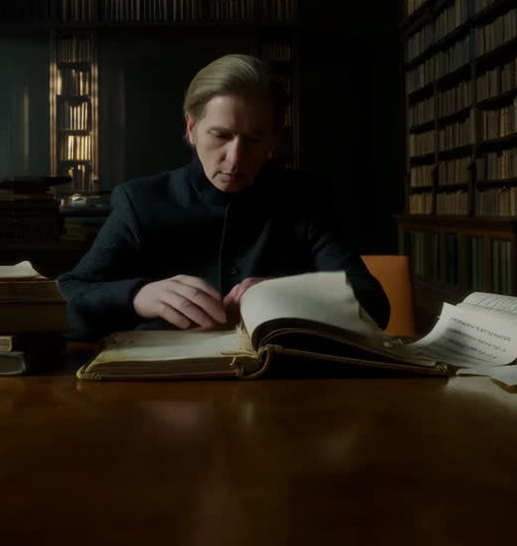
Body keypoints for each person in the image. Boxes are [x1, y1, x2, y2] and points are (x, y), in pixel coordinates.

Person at [58, 54, 390, 340]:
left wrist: (285, 292)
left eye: (255, 140)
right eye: (220, 135)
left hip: (282, 391)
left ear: (274, 138)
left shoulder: (307, 198)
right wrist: (137, 296)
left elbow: (373, 305)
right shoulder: (140, 201)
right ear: (191, 127)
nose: (235, 159)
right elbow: (65, 301)